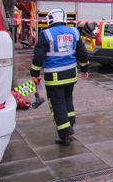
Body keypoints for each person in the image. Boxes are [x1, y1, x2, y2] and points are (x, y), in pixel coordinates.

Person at [30, 8, 89, 146]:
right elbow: (83, 54)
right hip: (70, 75)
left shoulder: (46, 34)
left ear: (50, 19)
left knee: (57, 105)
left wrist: (34, 74)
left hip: (54, 77)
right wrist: (84, 70)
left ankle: (64, 135)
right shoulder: (74, 32)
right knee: (68, 100)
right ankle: (70, 124)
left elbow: (38, 57)